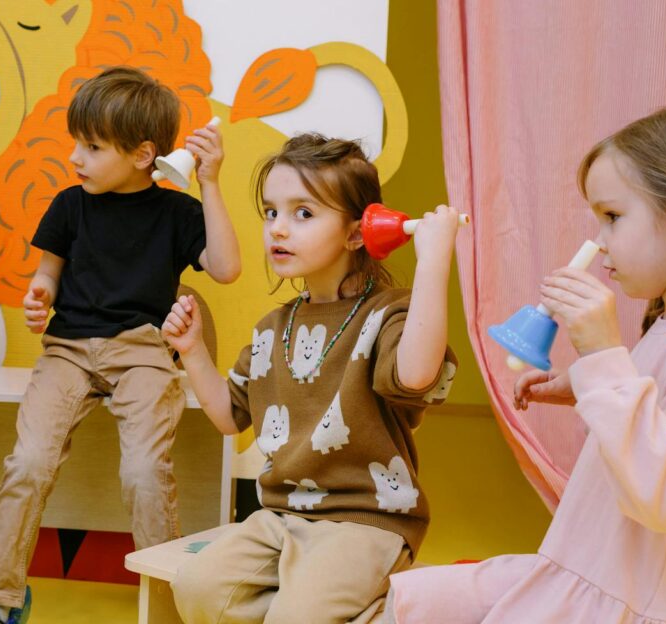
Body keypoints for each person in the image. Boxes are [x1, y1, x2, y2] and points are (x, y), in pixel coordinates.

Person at [383, 103, 666, 623]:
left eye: (612, 217)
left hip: (640, 604)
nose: (598, 241)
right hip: (598, 573)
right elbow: (660, 414)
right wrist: (584, 381)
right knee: (417, 601)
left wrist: (604, 356)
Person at [0, 65, 241, 624]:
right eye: (76, 143)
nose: (76, 158)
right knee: (29, 462)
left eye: (91, 146)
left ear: (141, 154)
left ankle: (167, 610)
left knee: (143, 473)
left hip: (142, 350)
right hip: (67, 349)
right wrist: (39, 295)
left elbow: (226, 269)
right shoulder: (69, 204)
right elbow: (47, 276)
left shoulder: (178, 213)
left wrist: (209, 181)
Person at [163, 133, 460, 623]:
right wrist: (193, 350)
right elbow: (227, 416)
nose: (278, 229)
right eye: (271, 212)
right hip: (281, 517)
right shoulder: (271, 329)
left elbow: (415, 375)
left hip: (368, 522)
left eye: (303, 213)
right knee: (197, 589)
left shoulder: (389, 314)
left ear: (356, 232)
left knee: (294, 619)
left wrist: (433, 263)